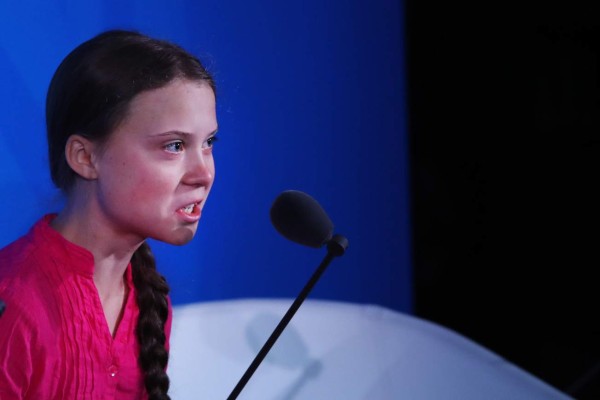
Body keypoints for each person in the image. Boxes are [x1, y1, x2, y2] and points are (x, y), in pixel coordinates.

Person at [0, 29, 218, 400]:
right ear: (85, 157)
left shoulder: (149, 301)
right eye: (175, 145)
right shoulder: (14, 303)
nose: (203, 173)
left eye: (209, 143)